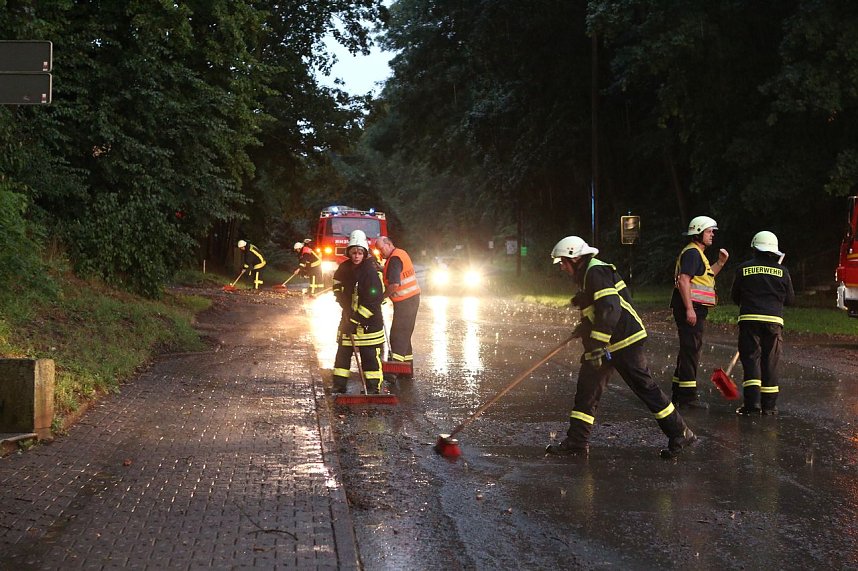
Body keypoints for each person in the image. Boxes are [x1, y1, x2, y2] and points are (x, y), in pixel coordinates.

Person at [545, 235, 696, 458]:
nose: (562, 268)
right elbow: (597, 312)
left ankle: (680, 432)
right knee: (587, 389)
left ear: (575, 258)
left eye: (563, 263)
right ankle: (577, 442)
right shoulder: (587, 275)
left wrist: (596, 343)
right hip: (607, 343)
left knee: (645, 388)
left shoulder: (595, 271)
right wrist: (584, 328)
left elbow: (610, 309)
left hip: (625, 340)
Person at [730, 231, 795, 416]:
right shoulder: (783, 271)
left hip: (749, 320)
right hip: (774, 322)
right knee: (770, 362)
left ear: (754, 248)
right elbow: (790, 299)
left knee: (751, 360)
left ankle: (752, 405)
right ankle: (769, 406)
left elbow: (735, 296)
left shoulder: (743, 268)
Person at [670, 216, 729, 409]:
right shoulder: (693, 253)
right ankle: (687, 398)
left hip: (694, 307)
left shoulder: (697, 254)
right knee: (691, 351)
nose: (712, 234)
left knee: (689, 349)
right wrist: (689, 309)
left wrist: (720, 263)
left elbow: (705, 278)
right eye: (709, 231)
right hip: (691, 307)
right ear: (698, 232)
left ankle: (679, 393)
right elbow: (684, 280)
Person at [331, 230, 387, 394]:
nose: (356, 256)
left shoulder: (370, 271)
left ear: (364, 253)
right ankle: (339, 386)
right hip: (348, 319)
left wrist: (355, 321)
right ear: (349, 252)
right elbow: (336, 284)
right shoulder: (344, 267)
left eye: (360, 252)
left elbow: (373, 301)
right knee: (342, 354)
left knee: (369, 357)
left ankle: (373, 388)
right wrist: (340, 296)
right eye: (354, 252)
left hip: (369, 324)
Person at [376, 236, 421, 381]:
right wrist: (381, 268)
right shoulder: (400, 254)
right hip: (411, 300)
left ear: (389, 244)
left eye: (381, 249)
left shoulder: (394, 259)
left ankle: (393, 372)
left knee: (397, 335)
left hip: (405, 302)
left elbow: (394, 284)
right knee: (405, 337)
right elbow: (394, 271)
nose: (380, 253)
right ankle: (406, 371)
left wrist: (382, 297)